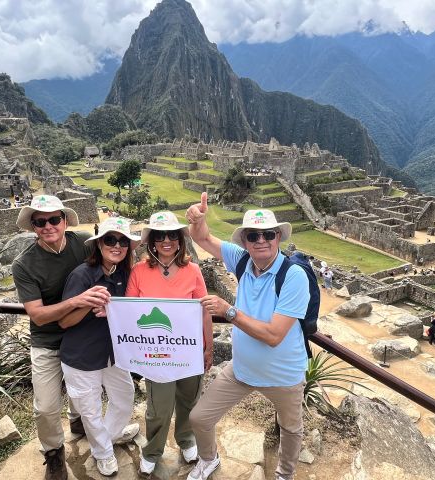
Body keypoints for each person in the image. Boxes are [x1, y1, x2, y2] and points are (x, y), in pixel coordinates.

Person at [185, 193, 309, 480]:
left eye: (268, 234)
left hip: (283, 375)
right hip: (241, 370)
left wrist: (229, 312)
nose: (261, 240)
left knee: (291, 428)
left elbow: (275, 335)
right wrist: (198, 219)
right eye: (253, 235)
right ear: (245, 242)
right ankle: (209, 458)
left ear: (278, 236)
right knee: (199, 418)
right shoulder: (242, 261)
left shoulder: (293, 276)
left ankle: (285, 474)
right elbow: (203, 239)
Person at [12, 195, 112, 480]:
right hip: (48, 340)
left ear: (65, 221)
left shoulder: (84, 244)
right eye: (40, 222)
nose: (48, 226)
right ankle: (54, 453)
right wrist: (77, 301)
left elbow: (116, 256)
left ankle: (78, 421)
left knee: (87, 393)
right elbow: (39, 316)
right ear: (33, 227)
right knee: (45, 406)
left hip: (82, 333)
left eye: (54, 219)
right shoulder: (24, 264)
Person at [127, 211, 214, 476]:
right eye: (160, 236)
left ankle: (186, 440)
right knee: (159, 407)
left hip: (189, 352)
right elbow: (129, 312)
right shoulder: (139, 272)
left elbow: (204, 310)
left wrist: (208, 347)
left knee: (189, 401)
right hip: (157, 354)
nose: (167, 241)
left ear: (180, 241)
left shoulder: (193, 271)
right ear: (152, 241)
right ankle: (153, 450)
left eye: (172, 236)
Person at [59, 217, 141, 477]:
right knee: (90, 409)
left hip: (114, 353)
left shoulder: (126, 274)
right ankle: (103, 453)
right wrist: (84, 304)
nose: (116, 245)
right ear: (99, 244)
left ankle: (108, 436)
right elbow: (64, 321)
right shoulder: (82, 275)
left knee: (125, 397)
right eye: (110, 240)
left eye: (123, 241)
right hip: (82, 355)